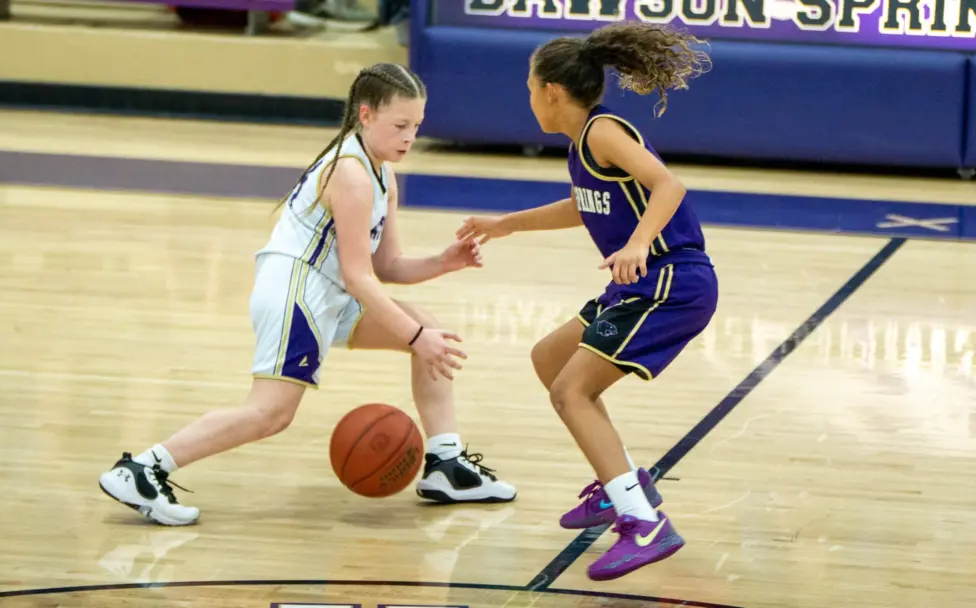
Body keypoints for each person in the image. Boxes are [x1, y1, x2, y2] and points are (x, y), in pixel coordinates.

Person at [98, 63, 517, 526]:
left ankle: (445, 465)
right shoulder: (351, 174)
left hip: (326, 292)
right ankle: (143, 469)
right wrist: (416, 338)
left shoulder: (382, 174)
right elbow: (359, 278)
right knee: (270, 414)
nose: (409, 137)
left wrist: (443, 261)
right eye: (400, 125)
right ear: (365, 115)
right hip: (296, 292)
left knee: (426, 327)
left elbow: (385, 266)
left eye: (416, 126)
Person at [456, 22, 716, 581]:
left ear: (552, 91)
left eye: (530, 87)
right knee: (550, 359)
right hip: (639, 283)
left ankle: (642, 522)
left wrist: (639, 242)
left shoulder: (602, 131)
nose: (528, 97)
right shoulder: (583, 144)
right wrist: (506, 224)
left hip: (671, 280)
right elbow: (585, 204)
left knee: (570, 391)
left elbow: (669, 185)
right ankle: (621, 483)